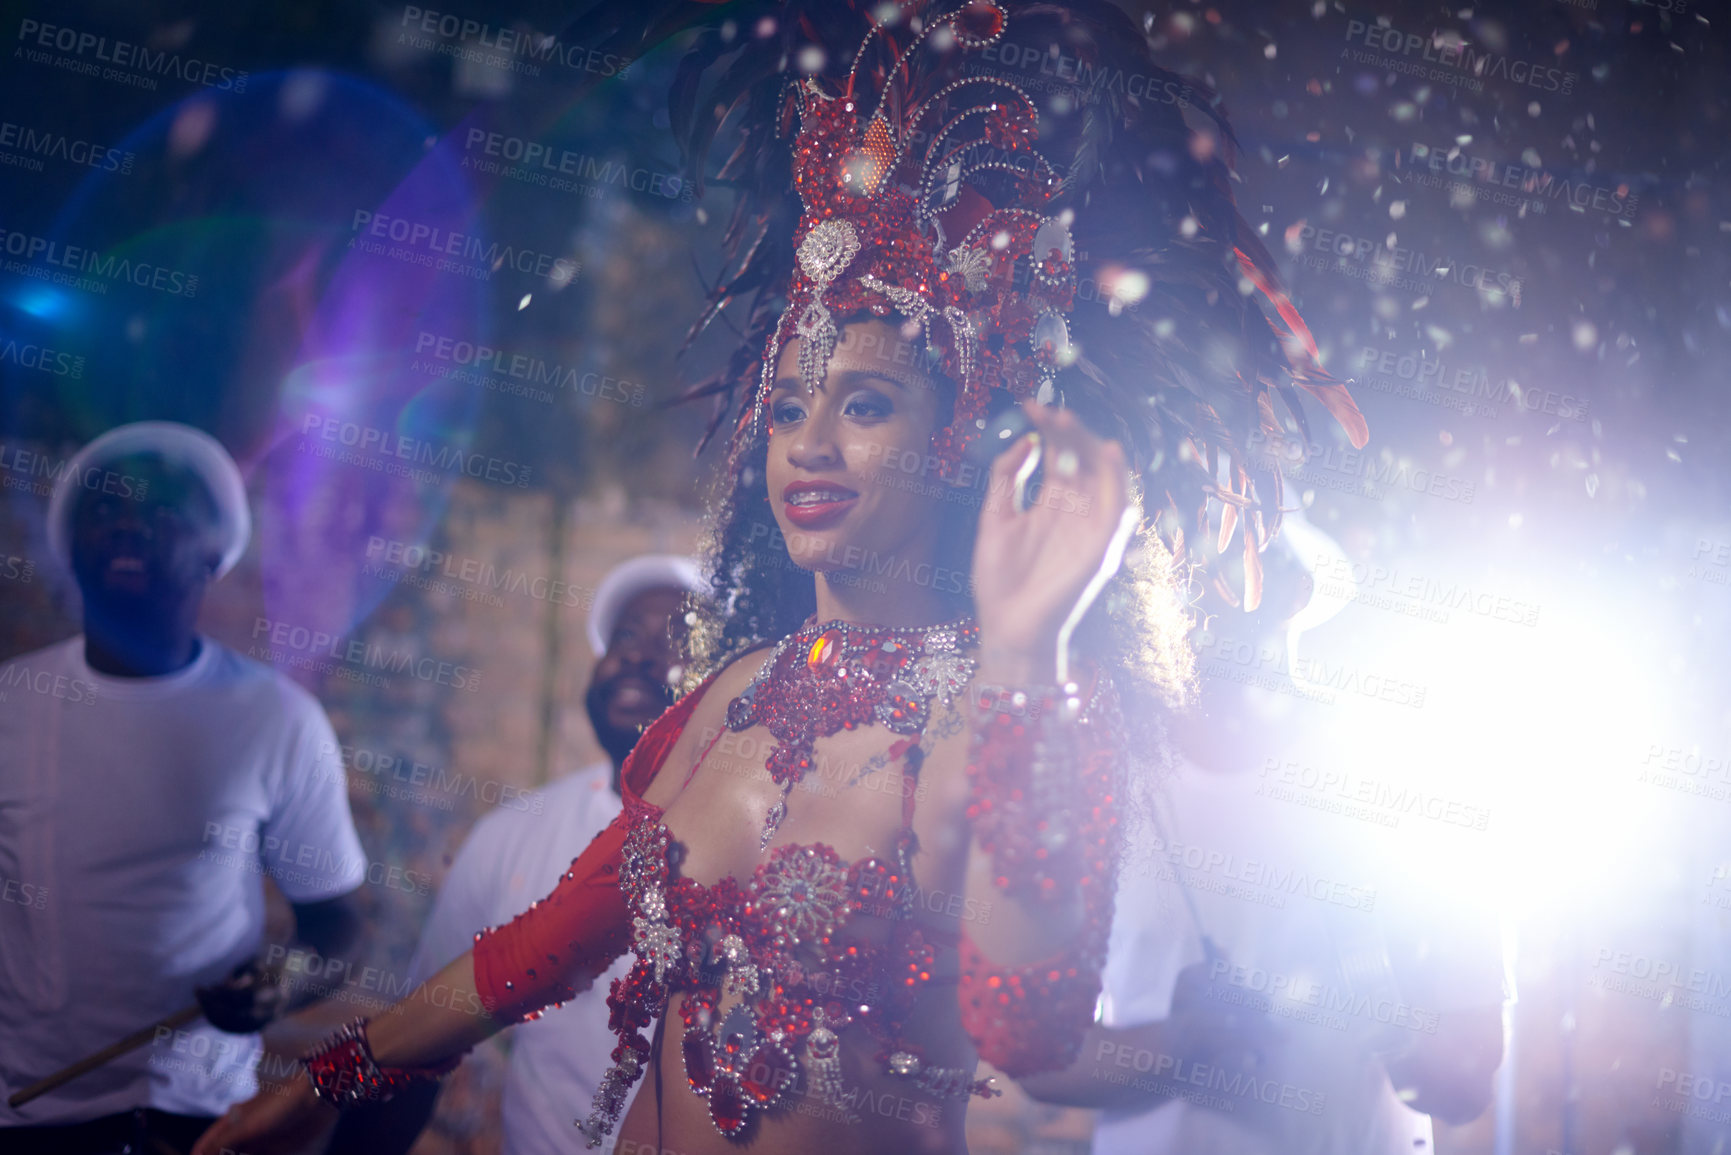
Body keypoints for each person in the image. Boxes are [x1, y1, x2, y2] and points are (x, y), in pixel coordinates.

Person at [193, 3, 1367, 1154]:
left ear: (953, 440)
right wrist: (332, 1078)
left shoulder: (1004, 710)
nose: (809, 444)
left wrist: (1026, 656)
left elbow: (1033, 1030)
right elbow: (543, 947)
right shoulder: (731, 694)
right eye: (788, 406)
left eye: (865, 404)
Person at [1019, 537, 1506, 1153]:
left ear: (1300, 589)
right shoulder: (1098, 779)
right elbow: (1039, 1060)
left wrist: (1381, 987)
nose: (1215, 593)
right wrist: (1185, 1042)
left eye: (1248, 561)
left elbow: (1463, 1090)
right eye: (1191, 565)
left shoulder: (1408, 785)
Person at [0, 421, 368, 1155]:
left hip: (197, 1119)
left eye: (165, 510)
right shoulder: (13, 703)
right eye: (107, 508)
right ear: (71, 548)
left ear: (214, 553)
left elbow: (337, 927)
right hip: (29, 1116)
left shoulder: (275, 718)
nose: (131, 523)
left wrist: (285, 981)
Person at [322, 554, 706, 1155]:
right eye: (625, 637)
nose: (637, 654)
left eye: (678, 641)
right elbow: (419, 1039)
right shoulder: (513, 831)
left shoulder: (742, 844)